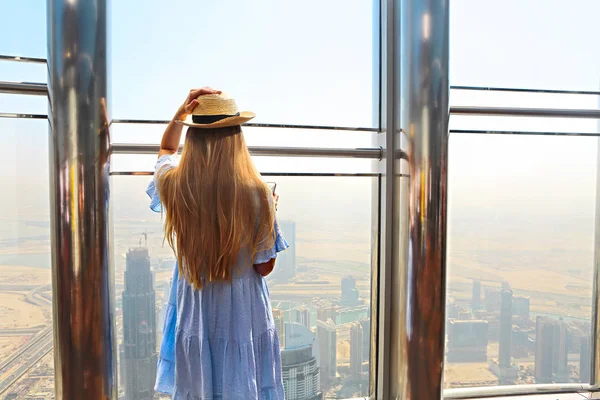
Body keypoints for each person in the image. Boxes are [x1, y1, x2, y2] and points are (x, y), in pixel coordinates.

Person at [147, 88, 288, 399]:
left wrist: (180, 114)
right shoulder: (258, 193)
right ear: (237, 138)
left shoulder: (175, 184)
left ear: (193, 139)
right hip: (241, 312)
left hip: (194, 307)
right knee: (241, 380)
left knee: (199, 383)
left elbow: (166, 149)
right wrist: (272, 211)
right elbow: (264, 266)